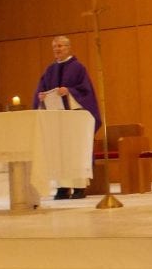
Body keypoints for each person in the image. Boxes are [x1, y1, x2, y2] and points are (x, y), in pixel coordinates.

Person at [33, 35, 102, 200]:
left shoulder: (78, 68)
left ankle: (79, 187)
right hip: (57, 119)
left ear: (68, 47)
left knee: (76, 150)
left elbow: (86, 91)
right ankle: (62, 187)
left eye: (60, 46)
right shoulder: (49, 70)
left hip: (75, 119)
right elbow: (40, 90)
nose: (57, 49)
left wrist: (69, 91)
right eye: (55, 47)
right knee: (59, 151)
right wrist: (41, 96)